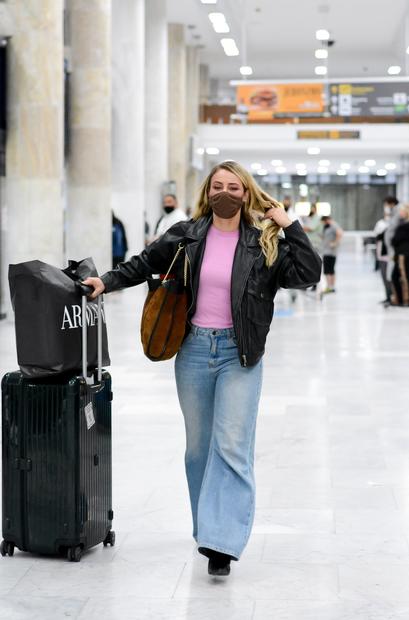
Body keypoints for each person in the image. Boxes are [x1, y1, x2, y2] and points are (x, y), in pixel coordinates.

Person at [83, 160, 321, 577]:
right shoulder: (187, 235)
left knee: (231, 446)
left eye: (233, 187)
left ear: (246, 193)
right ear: (207, 192)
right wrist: (105, 280)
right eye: (217, 186)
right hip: (192, 351)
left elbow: (308, 274)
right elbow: (141, 263)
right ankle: (205, 527)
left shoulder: (262, 242)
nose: (224, 193)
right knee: (199, 449)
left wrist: (289, 224)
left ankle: (220, 543)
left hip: (239, 354)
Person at [373, 204, 392, 304]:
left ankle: (392, 297)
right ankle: (388, 297)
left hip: (391, 256)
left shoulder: (393, 224)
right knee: (384, 277)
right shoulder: (380, 223)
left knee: (390, 278)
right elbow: (376, 235)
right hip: (381, 255)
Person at [390, 203, 409, 306]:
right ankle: (401, 299)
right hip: (401, 254)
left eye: (402, 211)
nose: (400, 213)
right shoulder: (402, 225)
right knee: (397, 277)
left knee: (403, 277)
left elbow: (395, 240)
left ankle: (403, 300)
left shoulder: (404, 226)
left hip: (404, 255)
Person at [321, 215, 343, 293]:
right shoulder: (327, 226)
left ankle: (331, 286)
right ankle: (330, 286)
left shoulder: (333, 225)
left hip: (330, 252)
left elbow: (339, 234)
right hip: (327, 251)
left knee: (329, 270)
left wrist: (334, 243)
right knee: (329, 270)